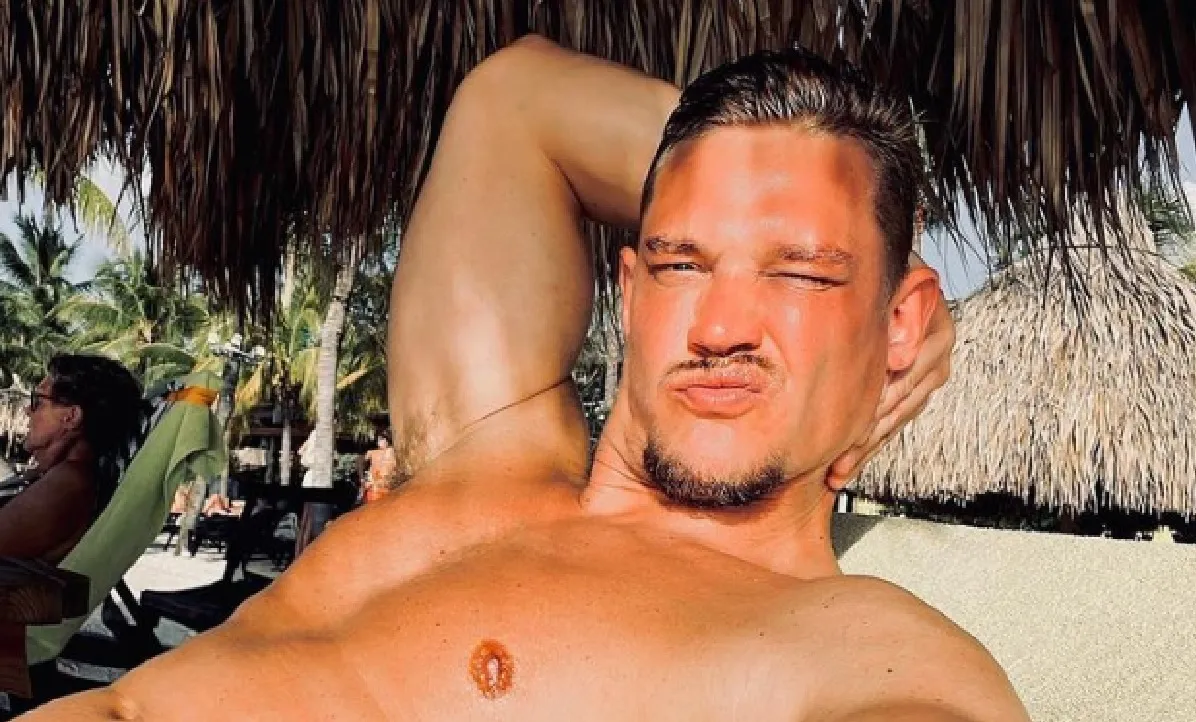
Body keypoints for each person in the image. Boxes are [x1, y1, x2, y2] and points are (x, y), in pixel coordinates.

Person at [22, 37, 1028, 721]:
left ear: (903, 321)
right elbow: (516, 100)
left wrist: (868, 266)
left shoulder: (847, 643)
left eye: (801, 274)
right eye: (682, 262)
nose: (722, 327)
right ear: (629, 289)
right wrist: (840, 242)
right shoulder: (486, 446)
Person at [0, 354, 145, 565]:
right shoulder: (76, 477)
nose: (27, 410)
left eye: (38, 401)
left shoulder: (69, 481)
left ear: (72, 416)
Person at [362, 433, 397, 503]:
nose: (381, 442)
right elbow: (365, 461)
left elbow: (390, 466)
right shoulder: (373, 453)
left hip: (385, 482)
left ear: (387, 441)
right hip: (375, 482)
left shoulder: (390, 451)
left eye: (383, 440)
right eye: (379, 440)